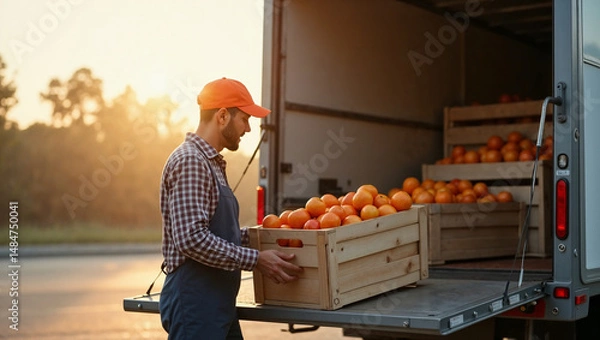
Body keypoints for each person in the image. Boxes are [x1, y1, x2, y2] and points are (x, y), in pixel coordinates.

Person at [159, 77, 303, 339]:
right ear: (223, 116)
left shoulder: (211, 162)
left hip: (215, 303)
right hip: (195, 304)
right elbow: (191, 239)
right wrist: (256, 260)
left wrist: (266, 235)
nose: (248, 129)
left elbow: (218, 230)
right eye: (245, 119)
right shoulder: (191, 161)